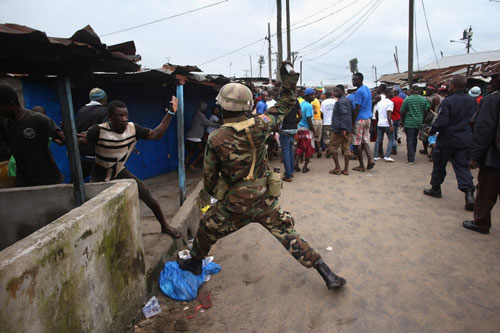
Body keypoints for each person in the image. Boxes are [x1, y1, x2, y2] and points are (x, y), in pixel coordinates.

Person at [178, 63, 346, 289]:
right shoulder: (262, 125)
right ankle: (327, 274)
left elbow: (209, 178)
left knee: (207, 228)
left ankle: (195, 264)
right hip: (264, 198)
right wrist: (288, 82)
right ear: (247, 106)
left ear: (223, 105)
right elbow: (286, 104)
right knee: (289, 235)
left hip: (234, 204)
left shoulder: (216, 138)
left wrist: (221, 195)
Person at [78, 99, 181, 238]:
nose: (124, 119)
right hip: (99, 175)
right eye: (119, 116)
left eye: (126, 115)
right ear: (110, 117)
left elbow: (157, 134)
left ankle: (165, 226)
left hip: (120, 171)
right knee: (98, 210)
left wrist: (170, 113)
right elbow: (80, 144)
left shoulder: (133, 128)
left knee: (149, 197)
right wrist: (69, 137)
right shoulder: (99, 130)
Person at [423, 75, 476, 211]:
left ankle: (436, 188)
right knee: (462, 167)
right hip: (464, 139)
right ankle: (469, 194)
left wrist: (432, 131)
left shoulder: (448, 102)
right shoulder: (472, 101)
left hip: (447, 139)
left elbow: (442, 121)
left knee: (439, 165)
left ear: (452, 86)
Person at [0, 84, 65, 187]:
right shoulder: (5, 124)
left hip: (48, 180)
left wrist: (67, 131)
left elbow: (64, 140)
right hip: (23, 181)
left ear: (11, 104)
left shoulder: (39, 120)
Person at [463, 71, 500, 234]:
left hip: (494, 158)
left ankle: (481, 223)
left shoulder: (492, 100)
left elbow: (483, 130)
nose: (491, 80)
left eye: (495, 77)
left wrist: (475, 156)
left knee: (486, 192)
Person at [76, 87, 109, 179]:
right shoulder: (104, 111)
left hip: (82, 155)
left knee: (77, 181)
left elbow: (77, 130)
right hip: (97, 156)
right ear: (104, 99)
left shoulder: (81, 111)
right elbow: (104, 130)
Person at [186, 102, 220, 170]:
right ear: (201, 108)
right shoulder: (199, 115)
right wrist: (219, 125)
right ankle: (190, 165)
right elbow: (208, 123)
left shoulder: (199, 114)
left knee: (192, 153)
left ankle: (187, 166)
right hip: (194, 138)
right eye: (205, 108)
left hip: (195, 138)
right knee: (203, 151)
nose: (206, 110)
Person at [400, 85, 430, 165]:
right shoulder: (423, 100)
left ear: (411, 90)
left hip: (409, 122)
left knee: (410, 139)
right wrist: (422, 118)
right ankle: (413, 154)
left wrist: (402, 121)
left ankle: (411, 158)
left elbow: (402, 111)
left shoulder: (407, 99)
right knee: (415, 139)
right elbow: (427, 109)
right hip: (419, 122)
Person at [351, 72, 375, 172]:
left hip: (360, 119)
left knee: (356, 143)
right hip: (367, 118)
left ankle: (361, 165)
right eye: (353, 79)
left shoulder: (359, 92)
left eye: (355, 80)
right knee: (364, 140)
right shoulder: (367, 89)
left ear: (361, 80)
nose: (353, 81)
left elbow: (357, 107)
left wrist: (353, 120)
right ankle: (370, 159)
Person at [329, 85, 352, 175]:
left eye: (337, 91)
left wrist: (343, 129)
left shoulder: (340, 102)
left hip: (340, 129)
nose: (335, 93)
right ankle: (346, 169)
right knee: (346, 148)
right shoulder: (347, 100)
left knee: (333, 147)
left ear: (342, 91)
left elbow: (343, 115)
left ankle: (337, 167)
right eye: (334, 91)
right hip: (347, 128)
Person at [295, 88, 316, 173]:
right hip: (306, 130)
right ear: (308, 96)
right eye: (312, 95)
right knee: (308, 148)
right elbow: (309, 120)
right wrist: (314, 131)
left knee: (300, 147)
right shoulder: (308, 105)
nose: (314, 97)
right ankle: (305, 167)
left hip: (300, 128)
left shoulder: (302, 104)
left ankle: (295, 164)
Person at [279, 99, 301, 182]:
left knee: (285, 152)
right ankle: (291, 172)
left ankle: (288, 175)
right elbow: (301, 115)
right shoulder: (296, 100)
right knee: (290, 150)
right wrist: (294, 123)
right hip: (293, 129)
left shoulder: (282, 101)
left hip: (285, 129)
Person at [373, 85, 395, 162]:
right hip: (387, 124)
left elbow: (376, 113)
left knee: (378, 139)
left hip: (380, 123)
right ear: (388, 93)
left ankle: (376, 156)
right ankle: (387, 155)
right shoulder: (390, 102)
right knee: (391, 139)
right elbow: (389, 114)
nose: (393, 94)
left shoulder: (380, 102)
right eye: (392, 92)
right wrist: (391, 125)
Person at [321, 91, 336, 158]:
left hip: (326, 122)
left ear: (326, 95)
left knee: (326, 137)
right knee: (333, 137)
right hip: (334, 122)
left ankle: (329, 149)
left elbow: (321, 113)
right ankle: (331, 149)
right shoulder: (335, 102)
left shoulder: (323, 102)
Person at [391, 87, 404, 154]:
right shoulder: (401, 100)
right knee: (396, 133)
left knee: (392, 135)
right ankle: (394, 146)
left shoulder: (392, 100)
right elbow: (403, 111)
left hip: (393, 118)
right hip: (399, 118)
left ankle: (394, 148)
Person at [311, 89, 323, 158]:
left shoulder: (314, 101)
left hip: (315, 120)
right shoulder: (318, 101)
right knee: (318, 139)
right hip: (319, 120)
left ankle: (311, 153)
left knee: (312, 137)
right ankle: (319, 151)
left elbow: (313, 110)